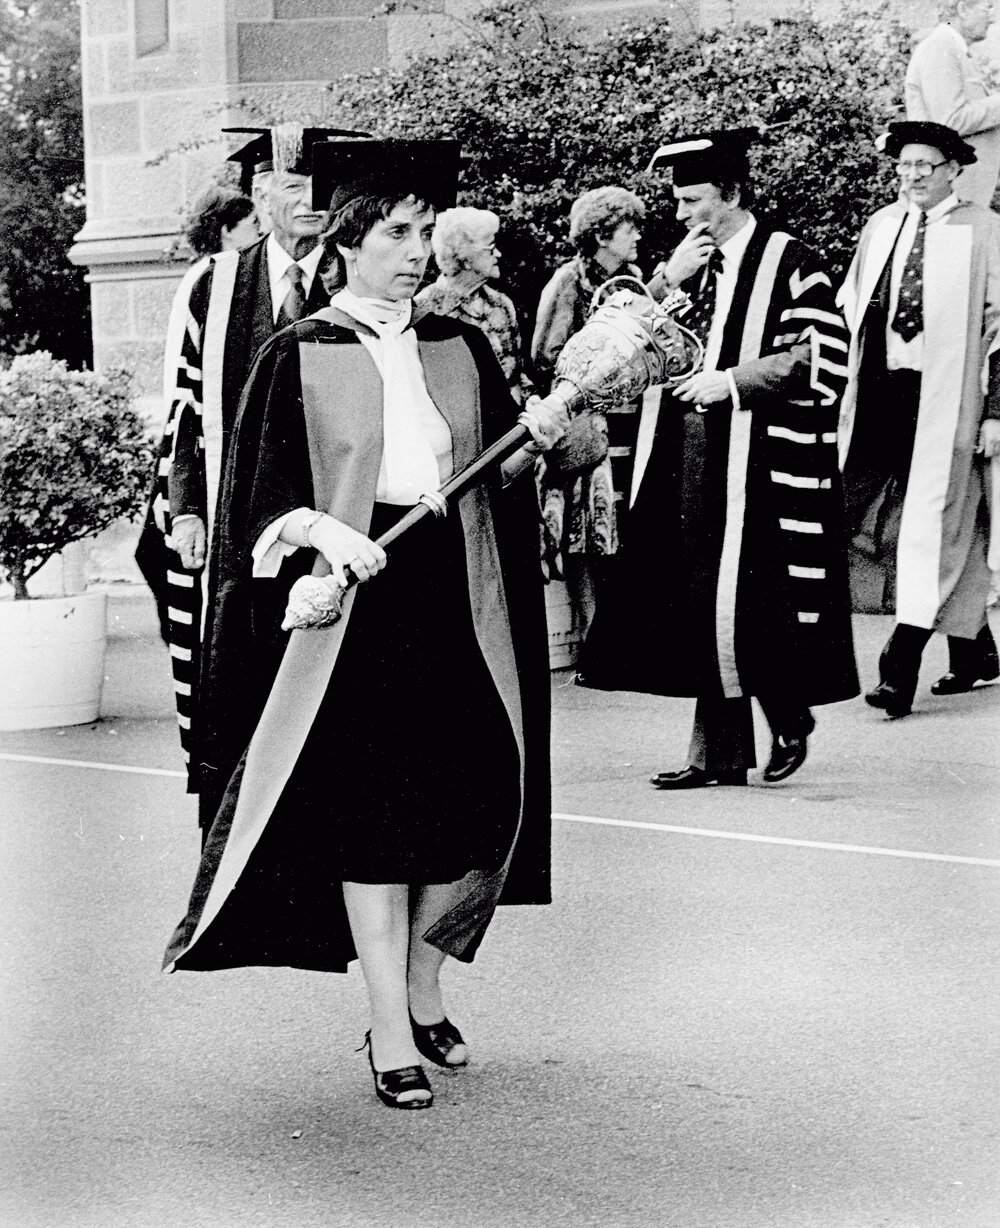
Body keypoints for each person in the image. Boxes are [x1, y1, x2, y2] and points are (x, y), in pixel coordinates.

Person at [163, 140, 566, 1112]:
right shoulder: (297, 354)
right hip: (357, 618)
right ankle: (391, 1027)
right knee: (377, 829)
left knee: (480, 805)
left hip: (459, 598)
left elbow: (494, 474)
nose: (416, 251)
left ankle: (424, 981)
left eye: (425, 232)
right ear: (344, 244)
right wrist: (323, 535)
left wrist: (546, 438)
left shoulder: (456, 345)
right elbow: (257, 507)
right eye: (395, 233)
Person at [577, 129, 859, 788]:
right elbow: (616, 345)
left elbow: (819, 355)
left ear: (730, 195)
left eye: (692, 199)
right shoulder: (687, 263)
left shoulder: (790, 259)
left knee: (752, 601)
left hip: (757, 458)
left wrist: (729, 383)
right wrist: (663, 280)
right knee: (701, 601)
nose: (679, 215)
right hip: (684, 449)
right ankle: (720, 755)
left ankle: (786, 714)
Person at [135, 124, 364, 792]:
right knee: (238, 692)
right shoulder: (213, 284)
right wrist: (184, 511)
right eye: (293, 186)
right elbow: (182, 407)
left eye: (319, 188)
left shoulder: (350, 279)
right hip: (234, 517)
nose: (309, 202)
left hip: (330, 510)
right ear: (262, 196)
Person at [839, 120, 1000, 717]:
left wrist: (997, 411)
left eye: (925, 166)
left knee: (938, 520)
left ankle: (898, 665)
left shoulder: (985, 230)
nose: (912, 177)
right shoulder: (881, 226)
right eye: (903, 166)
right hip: (881, 398)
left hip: (952, 399)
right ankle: (976, 651)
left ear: (954, 168)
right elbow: (853, 311)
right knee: (856, 507)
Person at [531, 185, 646, 632]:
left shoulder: (633, 277)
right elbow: (548, 354)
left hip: (629, 423)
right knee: (584, 531)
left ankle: (615, 634)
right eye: (628, 226)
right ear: (601, 235)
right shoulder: (569, 281)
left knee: (618, 525)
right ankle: (592, 633)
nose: (637, 234)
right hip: (587, 424)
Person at [416, 206, 532, 404]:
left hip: (509, 426)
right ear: (465, 257)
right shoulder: (424, 309)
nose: (498, 254)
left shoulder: (501, 305)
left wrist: (531, 399)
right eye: (490, 247)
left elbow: (517, 375)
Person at [906, 0, 1000, 210]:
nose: (993, 19)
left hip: (958, 195)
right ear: (963, 9)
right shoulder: (941, 48)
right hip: (948, 197)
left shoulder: (951, 49)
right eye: (988, 8)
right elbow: (950, 120)